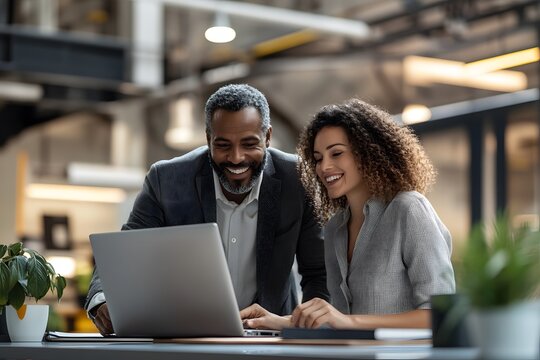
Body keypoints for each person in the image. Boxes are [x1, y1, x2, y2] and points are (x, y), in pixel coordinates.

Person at [85, 84, 329, 335]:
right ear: (208, 138)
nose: (236, 157)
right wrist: (102, 299)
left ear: (267, 137)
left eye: (249, 144)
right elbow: (125, 254)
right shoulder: (167, 180)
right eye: (223, 145)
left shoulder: (299, 179)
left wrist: (306, 328)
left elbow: (318, 273)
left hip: (271, 339)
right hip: (187, 338)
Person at [241, 98, 455, 330]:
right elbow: (337, 320)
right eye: (319, 158)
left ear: (368, 152)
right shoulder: (335, 228)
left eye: (336, 153)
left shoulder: (409, 209)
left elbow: (442, 316)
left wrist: (347, 321)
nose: (324, 167)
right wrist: (277, 321)